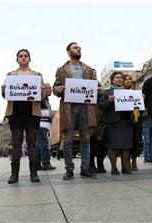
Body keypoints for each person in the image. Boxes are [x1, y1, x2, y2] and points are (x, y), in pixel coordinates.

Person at [53, 42, 99, 180]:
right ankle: (69, 169)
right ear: (68, 51)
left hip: (86, 107)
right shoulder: (61, 69)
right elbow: (55, 88)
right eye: (75, 48)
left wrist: (99, 88)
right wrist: (58, 89)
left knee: (86, 138)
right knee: (67, 139)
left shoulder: (89, 69)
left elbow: (96, 86)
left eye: (79, 48)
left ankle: (85, 168)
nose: (78, 49)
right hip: (69, 106)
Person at [2, 49, 42, 183]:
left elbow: (42, 95)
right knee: (16, 143)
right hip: (16, 112)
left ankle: (34, 172)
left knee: (32, 143)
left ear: (30, 59)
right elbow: (5, 95)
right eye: (21, 56)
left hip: (32, 111)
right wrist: (3, 91)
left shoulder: (37, 75)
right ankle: (14, 173)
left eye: (26, 56)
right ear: (17, 59)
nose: (23, 58)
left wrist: (45, 91)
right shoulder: (10, 75)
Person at [98, 72, 132, 174]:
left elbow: (136, 106)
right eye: (117, 77)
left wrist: (140, 99)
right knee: (113, 146)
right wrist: (108, 101)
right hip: (113, 122)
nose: (120, 79)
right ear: (112, 80)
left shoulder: (129, 92)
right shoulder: (107, 92)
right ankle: (113, 168)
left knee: (126, 146)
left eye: (121, 78)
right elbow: (100, 105)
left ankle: (125, 167)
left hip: (127, 122)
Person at [123, 74, 142, 171]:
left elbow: (141, 107)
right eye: (125, 79)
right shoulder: (120, 92)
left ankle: (134, 160)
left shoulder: (136, 92)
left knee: (135, 141)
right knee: (127, 141)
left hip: (136, 119)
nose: (128, 81)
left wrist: (142, 98)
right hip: (125, 120)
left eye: (130, 79)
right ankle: (127, 161)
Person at [36, 83, 56, 171]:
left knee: (39, 145)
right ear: (44, 89)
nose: (51, 90)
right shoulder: (40, 97)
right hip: (40, 124)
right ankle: (46, 163)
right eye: (49, 88)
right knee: (44, 144)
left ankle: (37, 164)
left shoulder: (47, 100)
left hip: (44, 125)